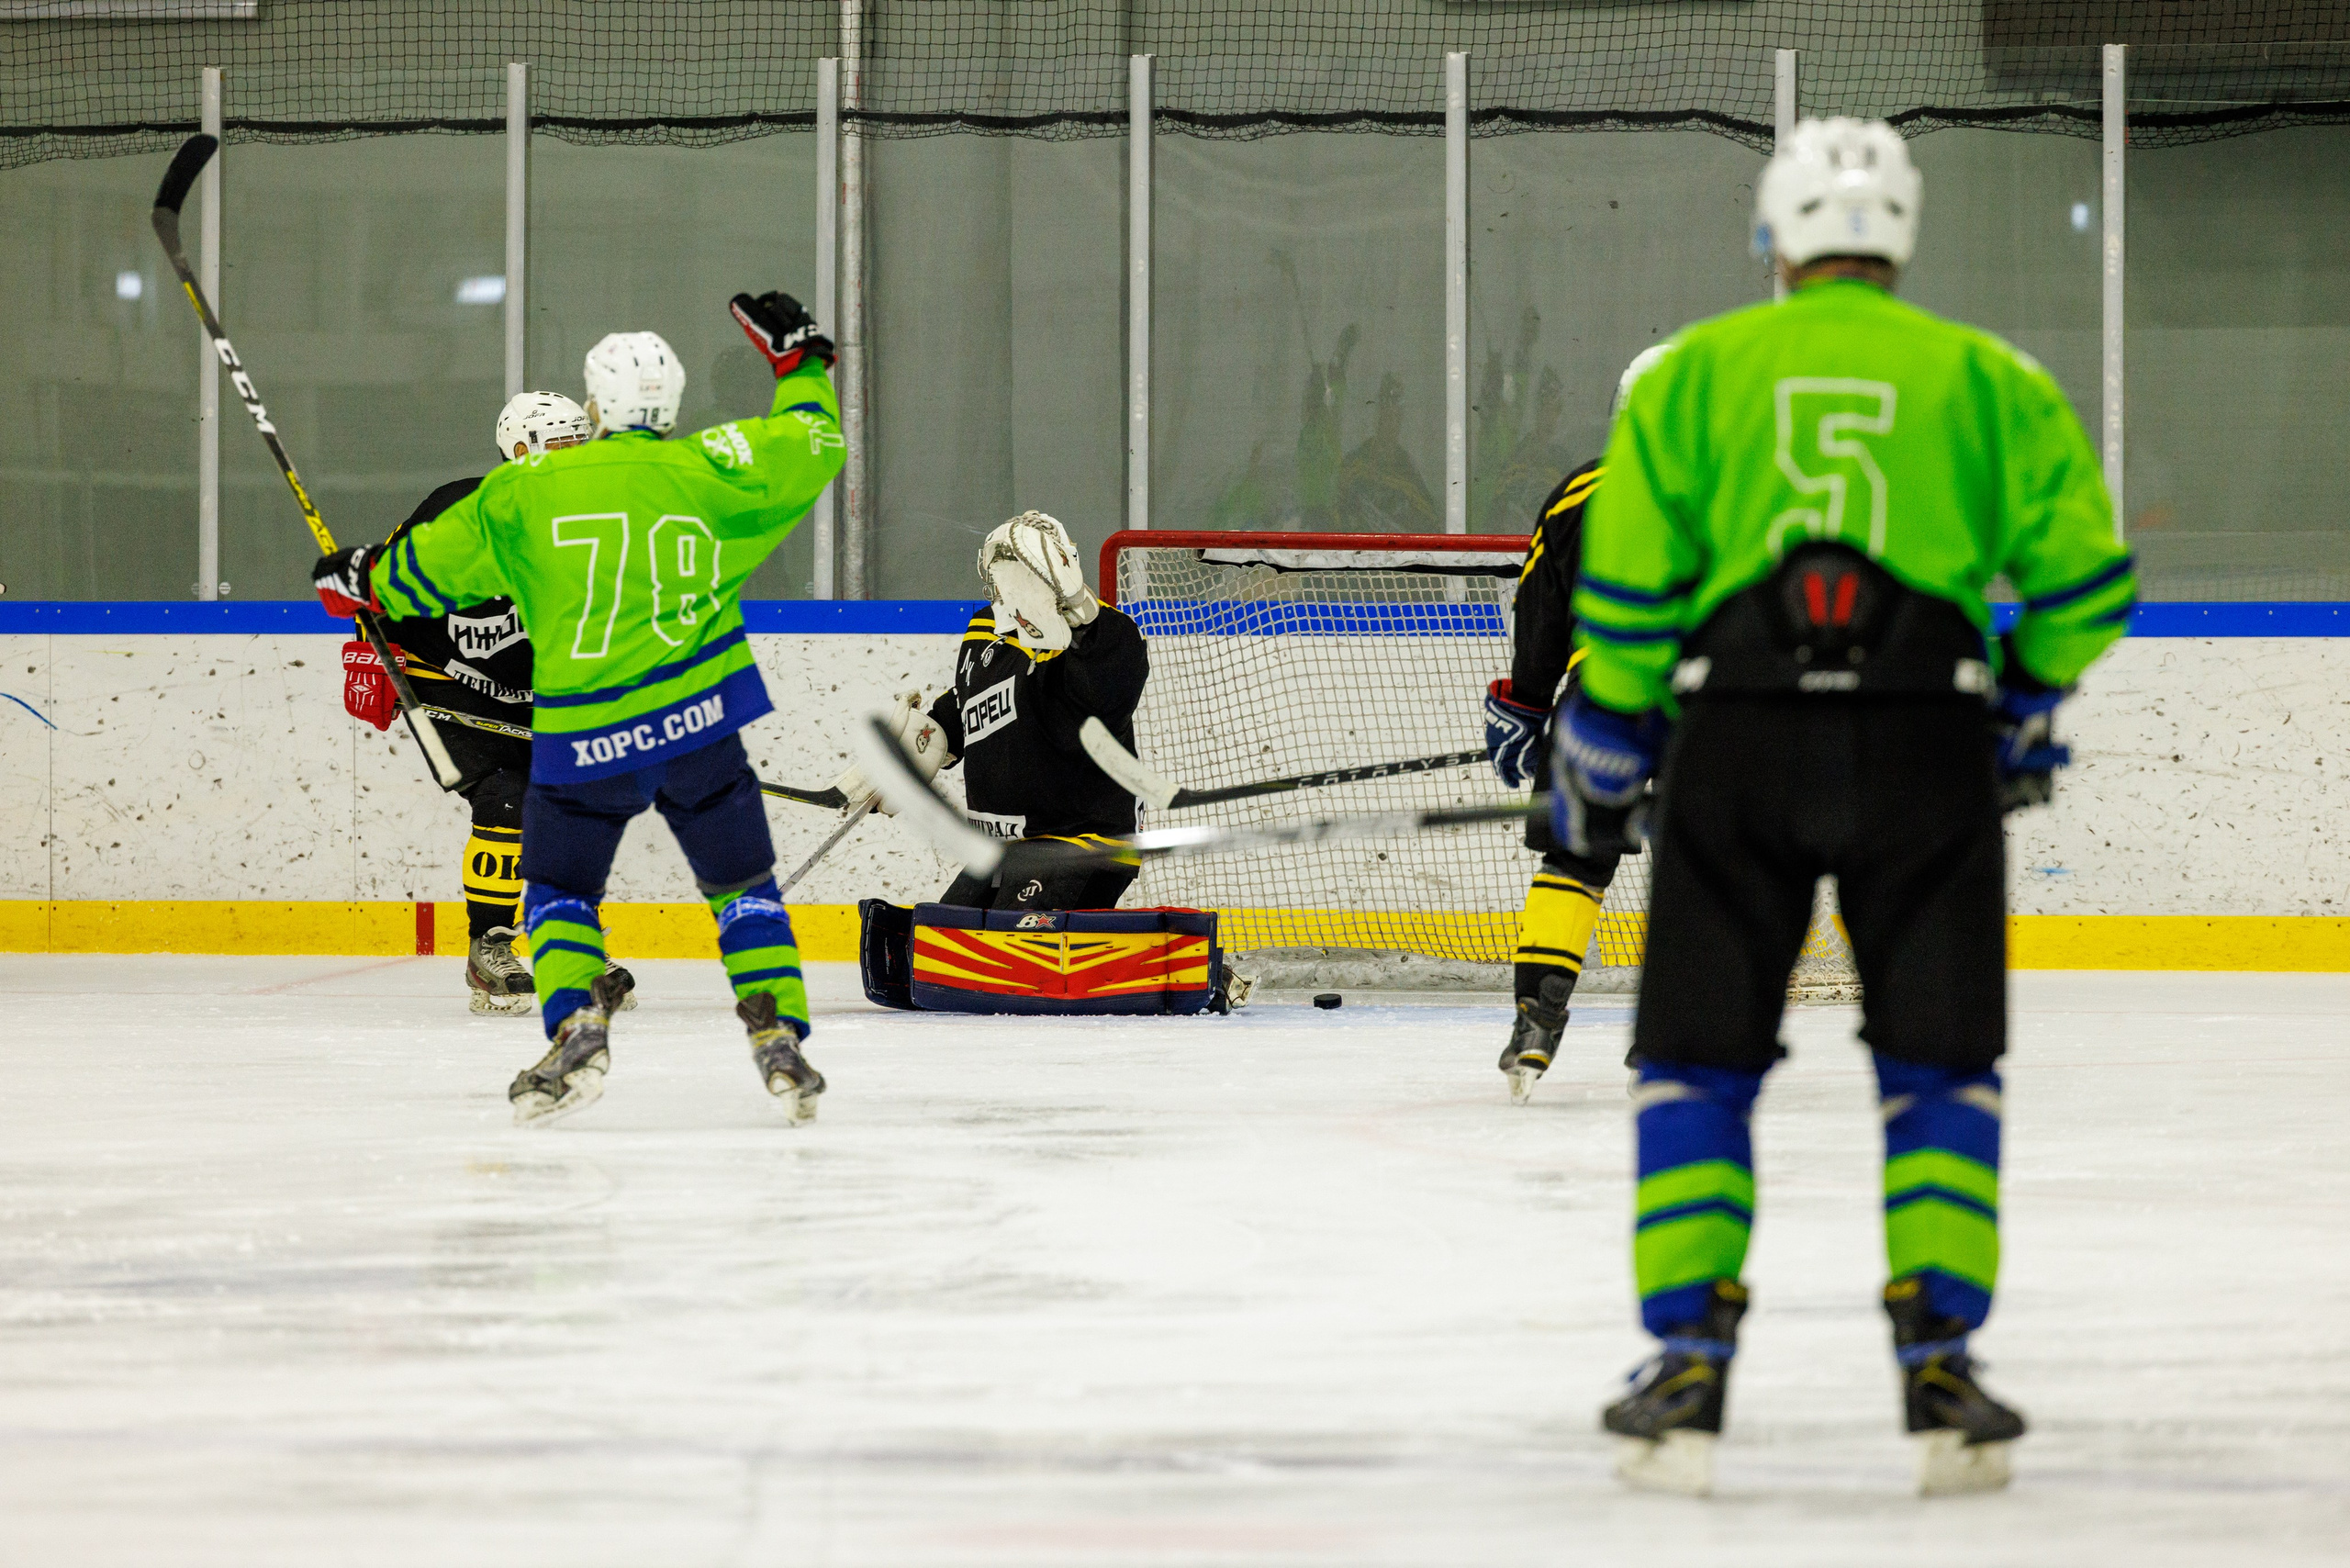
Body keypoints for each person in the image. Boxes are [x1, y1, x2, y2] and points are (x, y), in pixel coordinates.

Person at [1552, 118, 2133, 1495]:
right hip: (1926, 750)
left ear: (1776, 237)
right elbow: (2090, 577)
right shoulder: (1987, 377)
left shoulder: (1694, 375)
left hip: (1736, 749)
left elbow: (1624, 596)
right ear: (1901, 237)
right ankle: (1942, 1361)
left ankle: (1687, 1361)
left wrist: (1612, 740)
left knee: (1697, 1063)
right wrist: (2025, 699)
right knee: (1941, 1070)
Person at [313, 293, 845, 1126]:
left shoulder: (521, 493)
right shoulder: (710, 465)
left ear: (593, 407)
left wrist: (357, 578)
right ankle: (778, 1037)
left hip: (583, 739)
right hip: (700, 726)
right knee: (746, 890)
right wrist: (801, 365)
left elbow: (416, 573)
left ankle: (576, 1032)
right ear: (668, 406)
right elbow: (814, 442)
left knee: (559, 891)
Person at [347, 392, 642, 1015]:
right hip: (442, 685)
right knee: (506, 795)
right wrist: (370, 649)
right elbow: (375, 588)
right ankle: (490, 950)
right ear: (520, 452)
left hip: (534, 697)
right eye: (559, 448)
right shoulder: (461, 512)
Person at [1483, 348, 1666, 1103]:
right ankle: (1669, 1044)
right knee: (1708, 871)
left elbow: (1540, 610)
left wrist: (1525, 706)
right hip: (1711, 697)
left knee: (1574, 862)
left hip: (1602, 695)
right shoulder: (1733, 488)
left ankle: (1535, 1023)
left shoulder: (1577, 492)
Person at [836, 510, 1150, 913]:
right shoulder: (985, 628)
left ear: (1064, 568)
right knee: (939, 943)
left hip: (1082, 844)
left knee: (1006, 957)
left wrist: (1076, 610)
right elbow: (969, 698)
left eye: (1034, 569)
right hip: (1002, 849)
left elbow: (1107, 694)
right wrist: (922, 743)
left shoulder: (1100, 637)